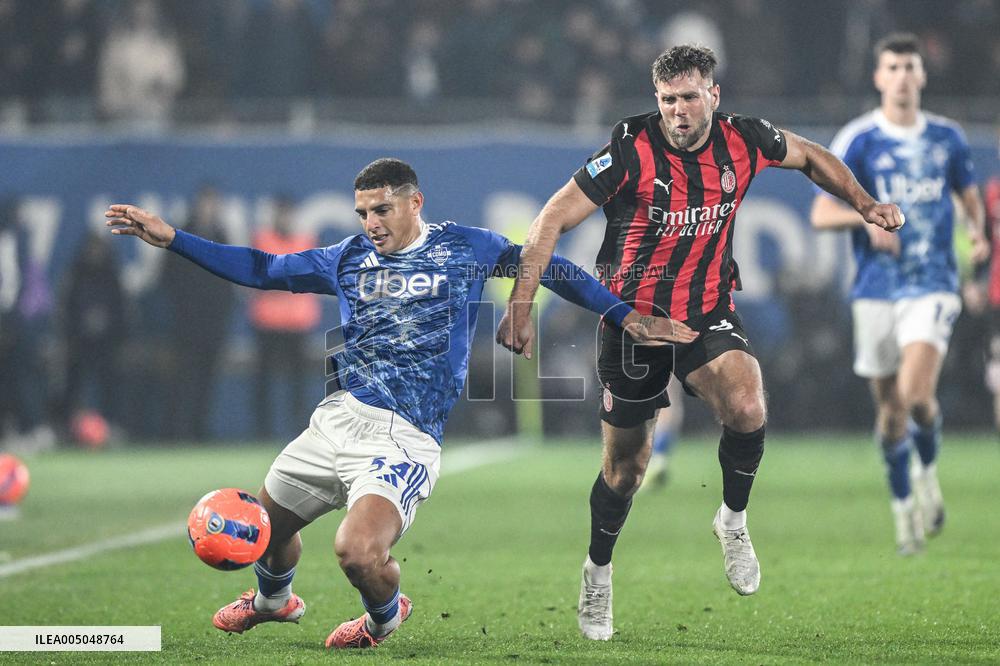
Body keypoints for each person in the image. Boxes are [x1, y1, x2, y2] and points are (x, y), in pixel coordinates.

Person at [106, 158, 694, 649]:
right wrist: (174, 240)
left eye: (381, 210)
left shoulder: (464, 247)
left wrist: (625, 316)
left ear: (415, 202)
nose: (370, 223)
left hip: (403, 437)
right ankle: (273, 600)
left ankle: (383, 618)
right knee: (267, 526)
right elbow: (263, 269)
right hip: (335, 420)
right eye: (362, 212)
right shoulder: (346, 258)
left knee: (356, 553)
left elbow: (552, 266)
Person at [496, 45, 903, 641]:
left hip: (707, 310)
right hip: (632, 321)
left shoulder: (746, 138)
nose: (678, 111)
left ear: (713, 94)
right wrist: (522, 302)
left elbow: (813, 157)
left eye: (689, 97)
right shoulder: (629, 151)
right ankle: (598, 570)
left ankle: (732, 518)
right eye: (667, 100)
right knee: (626, 471)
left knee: (746, 404)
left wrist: (864, 204)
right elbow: (551, 218)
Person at [811, 34, 988, 555]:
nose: (904, 76)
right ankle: (902, 508)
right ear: (879, 77)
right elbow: (822, 212)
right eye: (894, 67)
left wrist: (977, 233)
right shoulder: (859, 139)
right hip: (875, 289)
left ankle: (929, 474)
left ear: (922, 76)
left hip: (932, 281)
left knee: (914, 397)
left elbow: (968, 197)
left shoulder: (947, 138)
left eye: (911, 66)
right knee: (892, 413)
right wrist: (861, 219)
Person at [249, 197, 321, 439]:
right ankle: (262, 430)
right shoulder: (262, 239)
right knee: (264, 381)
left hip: (297, 323)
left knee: (297, 382)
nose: (285, 219)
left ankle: (300, 429)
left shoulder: (305, 241)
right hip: (268, 323)